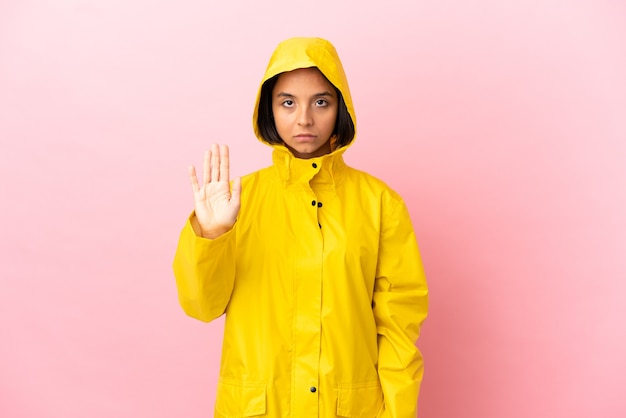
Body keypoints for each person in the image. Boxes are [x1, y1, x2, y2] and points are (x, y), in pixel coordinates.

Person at [173, 37, 428, 418]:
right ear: (269, 110)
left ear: (341, 107)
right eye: (288, 102)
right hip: (258, 407)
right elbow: (201, 307)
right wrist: (213, 236)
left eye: (321, 102)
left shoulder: (380, 204)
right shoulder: (236, 201)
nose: (304, 119)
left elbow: (398, 330)